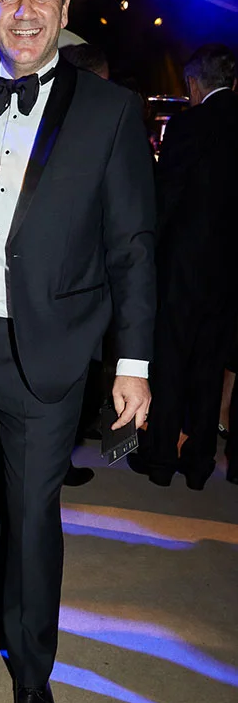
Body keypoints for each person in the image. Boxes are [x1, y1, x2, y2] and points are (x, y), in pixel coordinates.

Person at [0, 0, 156, 703]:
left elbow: (132, 245)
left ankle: (31, 674)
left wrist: (131, 366)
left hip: (52, 351)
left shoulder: (111, 111)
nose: (23, 9)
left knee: (31, 517)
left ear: (65, 9)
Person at [127, 43, 238, 491]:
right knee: (211, 365)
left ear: (194, 82)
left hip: (182, 267)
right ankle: (198, 464)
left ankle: (159, 460)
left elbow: (166, 197)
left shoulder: (189, 124)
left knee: (170, 361)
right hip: (230, 272)